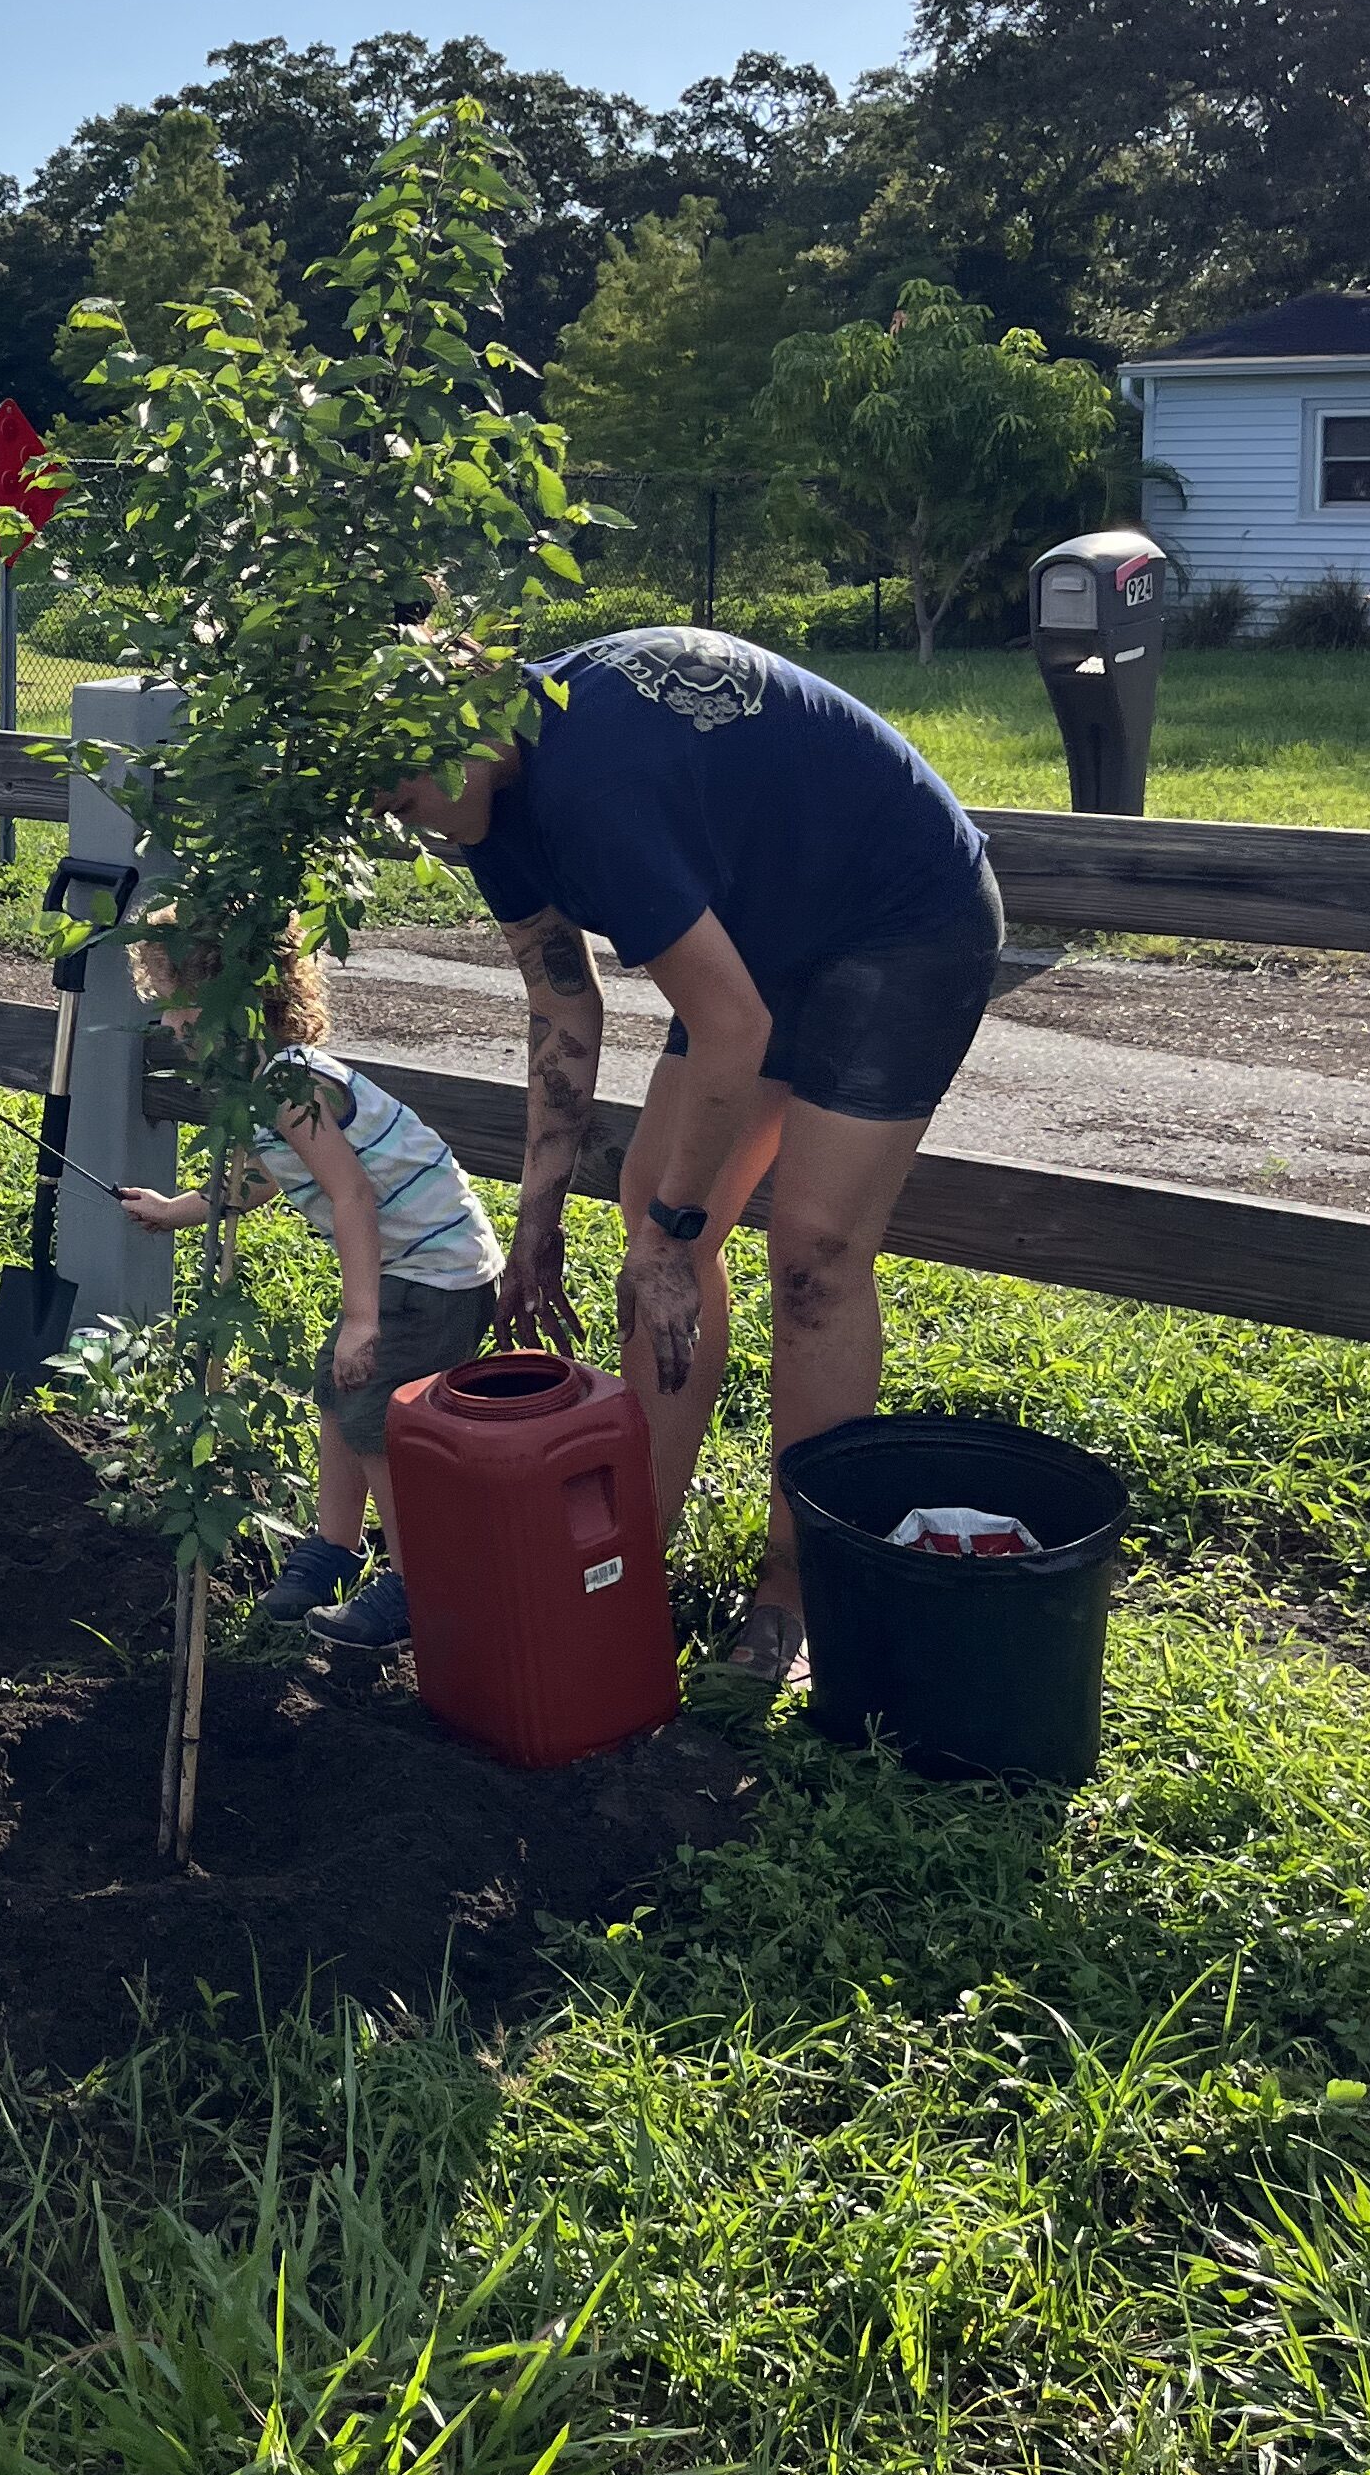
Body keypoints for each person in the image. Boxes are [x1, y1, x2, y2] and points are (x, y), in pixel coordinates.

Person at [390, 624, 1003, 1690]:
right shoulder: (491, 800)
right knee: (651, 1206)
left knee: (813, 1256)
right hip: (768, 931)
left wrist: (675, 1239)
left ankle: (794, 1593)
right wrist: (540, 1215)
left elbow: (731, 1032)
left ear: (460, 725)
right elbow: (562, 1004)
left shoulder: (592, 787)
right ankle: (635, 1553)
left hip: (903, 915)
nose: (404, 823)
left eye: (401, 797)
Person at [114, 912, 507, 1657]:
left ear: (237, 999)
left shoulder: (291, 1085)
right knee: (338, 1391)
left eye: (180, 1001)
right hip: (407, 1267)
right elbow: (265, 1178)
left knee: (373, 1415)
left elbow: (351, 1195)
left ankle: (418, 1584)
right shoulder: (263, 1081)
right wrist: (177, 1210)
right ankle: (335, 1548)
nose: (168, 1021)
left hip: (436, 1275)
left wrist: (362, 1320)